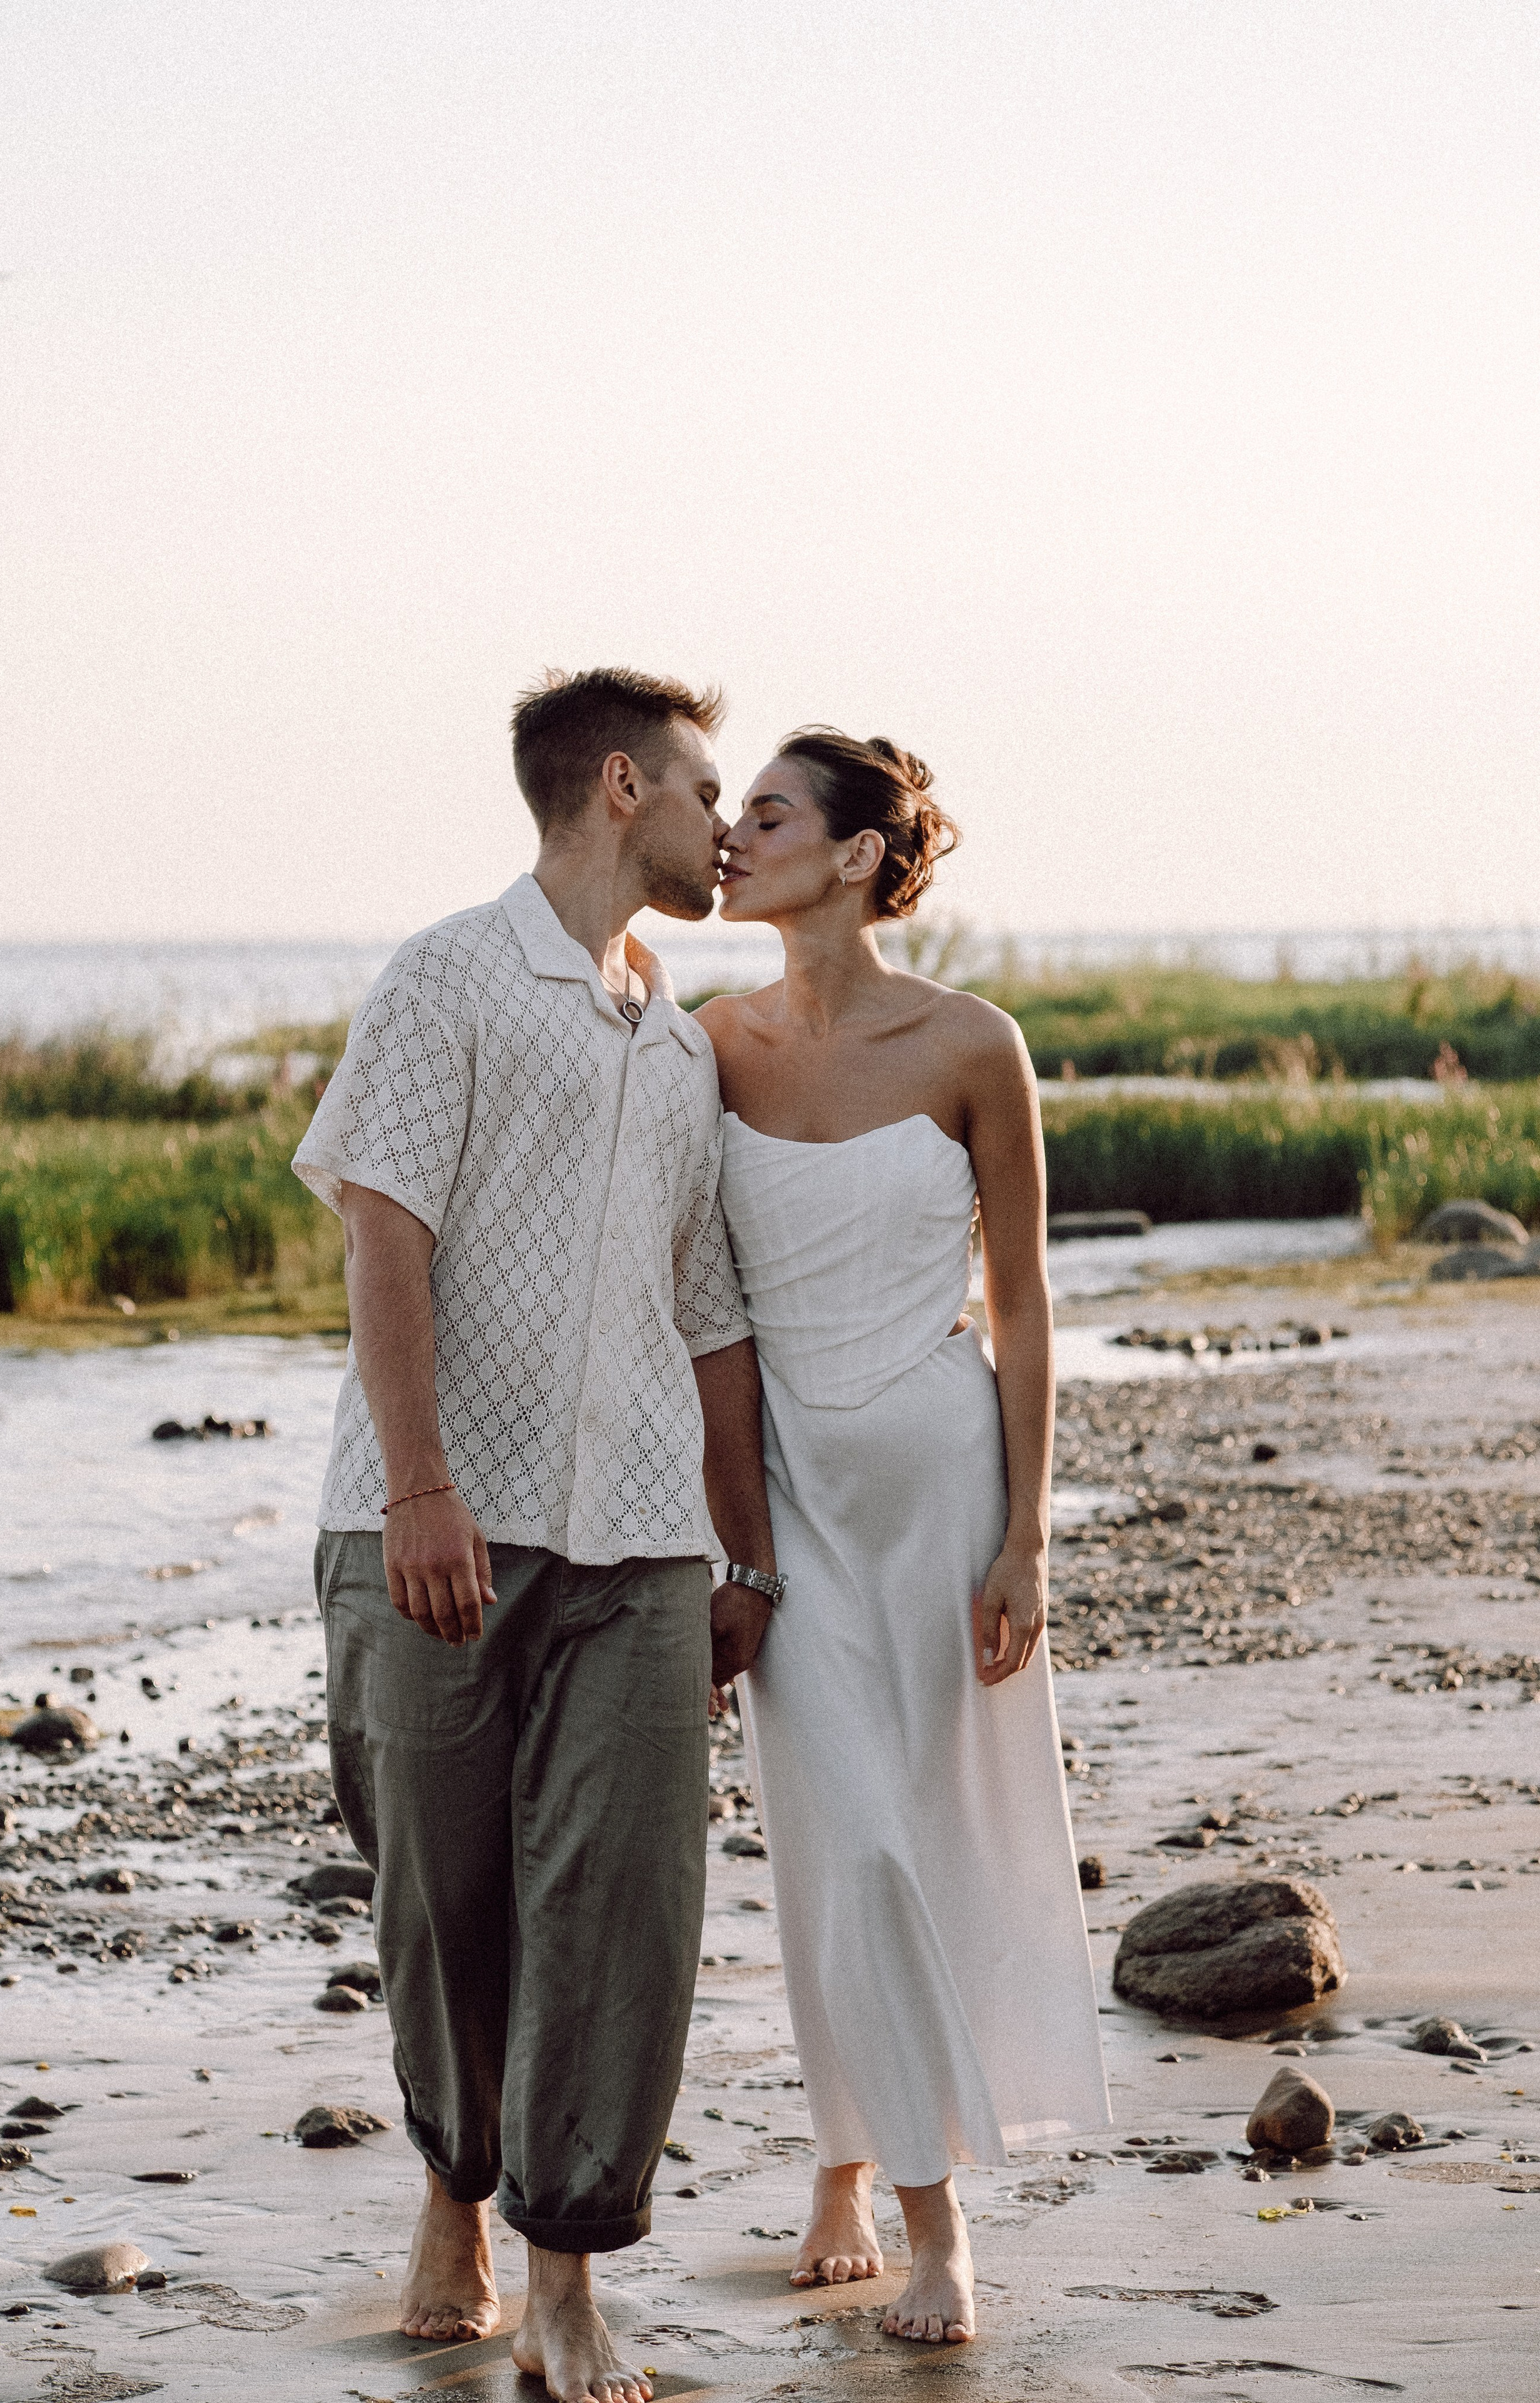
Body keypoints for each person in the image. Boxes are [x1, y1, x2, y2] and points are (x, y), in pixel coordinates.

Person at [292, 669, 781, 2403]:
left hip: (641, 1541)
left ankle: (568, 2269)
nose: (728, 830)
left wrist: (745, 1554)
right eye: (710, 792)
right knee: (443, 1893)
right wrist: (422, 1485)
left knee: (627, 1896)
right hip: (431, 1524)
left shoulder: (682, 1043)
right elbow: (385, 1236)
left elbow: (708, 1316)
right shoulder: (446, 978)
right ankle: (454, 2196)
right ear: (622, 788)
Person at [698, 727, 1109, 2348]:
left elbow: (1023, 1301)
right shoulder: (710, 1045)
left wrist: (1030, 1539)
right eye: (734, 812)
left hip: (940, 1482)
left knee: (919, 1837)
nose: (733, 836)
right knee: (838, 1842)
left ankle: (880, 2185)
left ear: (859, 853)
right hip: (785, 1496)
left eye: (768, 813)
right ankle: (881, 2180)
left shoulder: (971, 1044)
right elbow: (704, 1307)